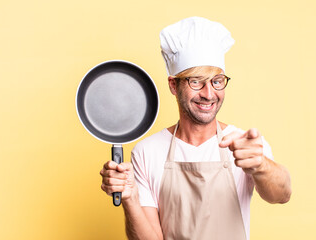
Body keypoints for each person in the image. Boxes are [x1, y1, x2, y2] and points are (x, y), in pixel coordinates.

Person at [100, 16, 291, 240]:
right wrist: (130, 199)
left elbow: (282, 194)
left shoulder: (243, 144)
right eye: (196, 81)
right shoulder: (147, 152)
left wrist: (261, 165)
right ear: (173, 85)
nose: (209, 94)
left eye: (217, 81)